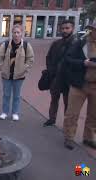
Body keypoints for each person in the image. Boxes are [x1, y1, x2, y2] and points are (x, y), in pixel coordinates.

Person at [63, 22, 96, 150]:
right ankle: (69, 138)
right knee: (72, 113)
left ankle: (88, 138)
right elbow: (68, 58)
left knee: (93, 115)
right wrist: (83, 63)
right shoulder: (81, 43)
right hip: (79, 85)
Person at [0, 24, 34, 121]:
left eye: (18, 32)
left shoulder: (26, 45)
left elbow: (30, 59)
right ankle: (4, 112)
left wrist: (25, 68)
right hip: (7, 75)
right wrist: (1, 67)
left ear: (22, 34)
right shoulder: (5, 45)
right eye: (14, 32)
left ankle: (15, 113)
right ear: (11, 33)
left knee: (17, 96)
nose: (16, 34)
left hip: (19, 76)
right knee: (6, 95)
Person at [43, 20, 76, 127]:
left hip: (68, 80)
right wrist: (51, 70)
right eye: (63, 28)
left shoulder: (77, 44)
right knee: (54, 100)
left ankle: (67, 125)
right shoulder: (56, 43)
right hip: (56, 78)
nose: (65, 30)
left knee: (68, 104)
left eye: (67, 28)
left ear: (72, 29)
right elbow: (48, 57)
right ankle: (52, 119)